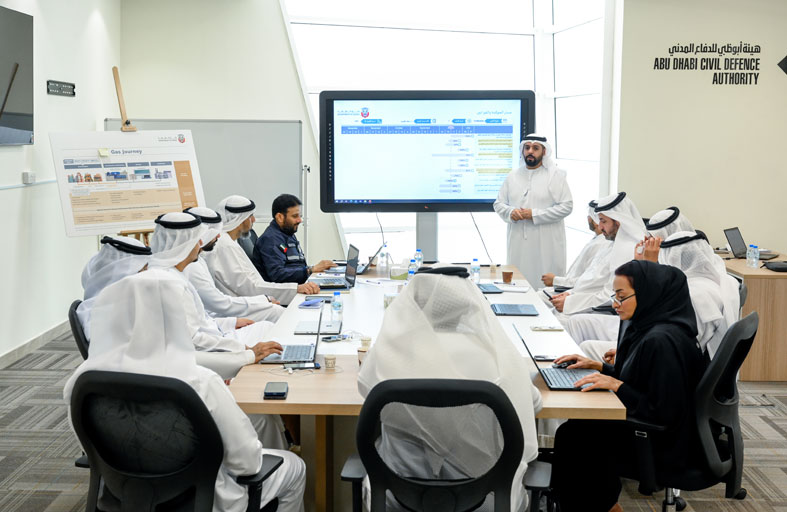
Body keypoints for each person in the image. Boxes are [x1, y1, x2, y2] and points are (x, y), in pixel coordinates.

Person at [63, 270, 306, 512]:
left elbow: (92, 452)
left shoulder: (80, 381)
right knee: (294, 466)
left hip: (125, 497)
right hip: (203, 500)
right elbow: (248, 464)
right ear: (175, 317)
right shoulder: (202, 382)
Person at [358, 269, 542, 512]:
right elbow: (533, 404)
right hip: (487, 500)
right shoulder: (497, 354)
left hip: (399, 497)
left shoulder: (391, 352)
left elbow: (366, 390)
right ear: (468, 307)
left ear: (416, 307)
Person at [550, 260, 705, 512]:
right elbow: (643, 381)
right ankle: (602, 504)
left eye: (622, 297)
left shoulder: (662, 341)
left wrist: (617, 385)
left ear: (648, 294)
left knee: (576, 436)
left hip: (661, 443)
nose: (615, 304)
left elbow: (662, 411)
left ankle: (598, 506)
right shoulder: (651, 326)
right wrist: (600, 367)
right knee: (577, 429)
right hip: (656, 430)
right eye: (615, 296)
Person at [150, 212, 282, 377]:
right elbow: (194, 339)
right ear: (184, 244)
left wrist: (231, 322)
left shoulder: (176, 272)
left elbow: (201, 319)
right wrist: (244, 351)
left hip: (215, 336)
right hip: (208, 350)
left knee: (268, 328)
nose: (201, 243)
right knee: (272, 336)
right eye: (197, 239)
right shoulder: (171, 282)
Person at [205, 195, 320, 305]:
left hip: (253, 300)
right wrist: (296, 289)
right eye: (250, 216)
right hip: (241, 305)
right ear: (240, 219)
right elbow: (249, 287)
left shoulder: (231, 242)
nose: (254, 220)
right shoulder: (225, 245)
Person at [494, 134, 573, 287]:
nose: (530, 151)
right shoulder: (512, 176)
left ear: (544, 152)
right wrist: (510, 212)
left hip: (547, 243)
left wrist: (534, 214)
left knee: (544, 286)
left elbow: (567, 206)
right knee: (519, 283)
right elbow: (498, 204)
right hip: (518, 242)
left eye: (535, 148)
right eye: (527, 147)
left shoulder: (555, 176)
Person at [183, 206, 284, 323]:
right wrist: (263, 300)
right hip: (213, 319)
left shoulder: (198, 259)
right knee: (275, 313)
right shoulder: (192, 264)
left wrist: (263, 300)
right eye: (214, 232)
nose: (219, 236)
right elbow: (220, 303)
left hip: (217, 316)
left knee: (274, 313)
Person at [550, 192, 645, 315]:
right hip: (582, 301)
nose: (599, 227)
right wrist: (570, 293)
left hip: (603, 312)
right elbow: (590, 281)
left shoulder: (628, 250)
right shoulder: (611, 243)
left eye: (603, 221)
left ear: (618, 222)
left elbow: (610, 295)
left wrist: (570, 302)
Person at [77, 235, 151, 341]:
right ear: (123, 272)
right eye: (143, 269)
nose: (146, 274)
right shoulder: (101, 314)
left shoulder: (92, 306)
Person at [252, 194, 335, 284]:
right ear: (280, 217)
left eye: (300, 216)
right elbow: (277, 275)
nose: (299, 220)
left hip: (297, 286)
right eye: (295, 216)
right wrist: (310, 270)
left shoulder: (287, 232)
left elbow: (296, 265)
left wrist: (313, 270)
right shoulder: (270, 240)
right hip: (285, 291)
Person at [541, 200, 610, 291]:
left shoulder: (600, 244)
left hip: (575, 291)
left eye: (589, 216)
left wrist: (555, 280)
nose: (588, 219)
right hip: (569, 288)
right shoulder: (597, 239)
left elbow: (588, 281)